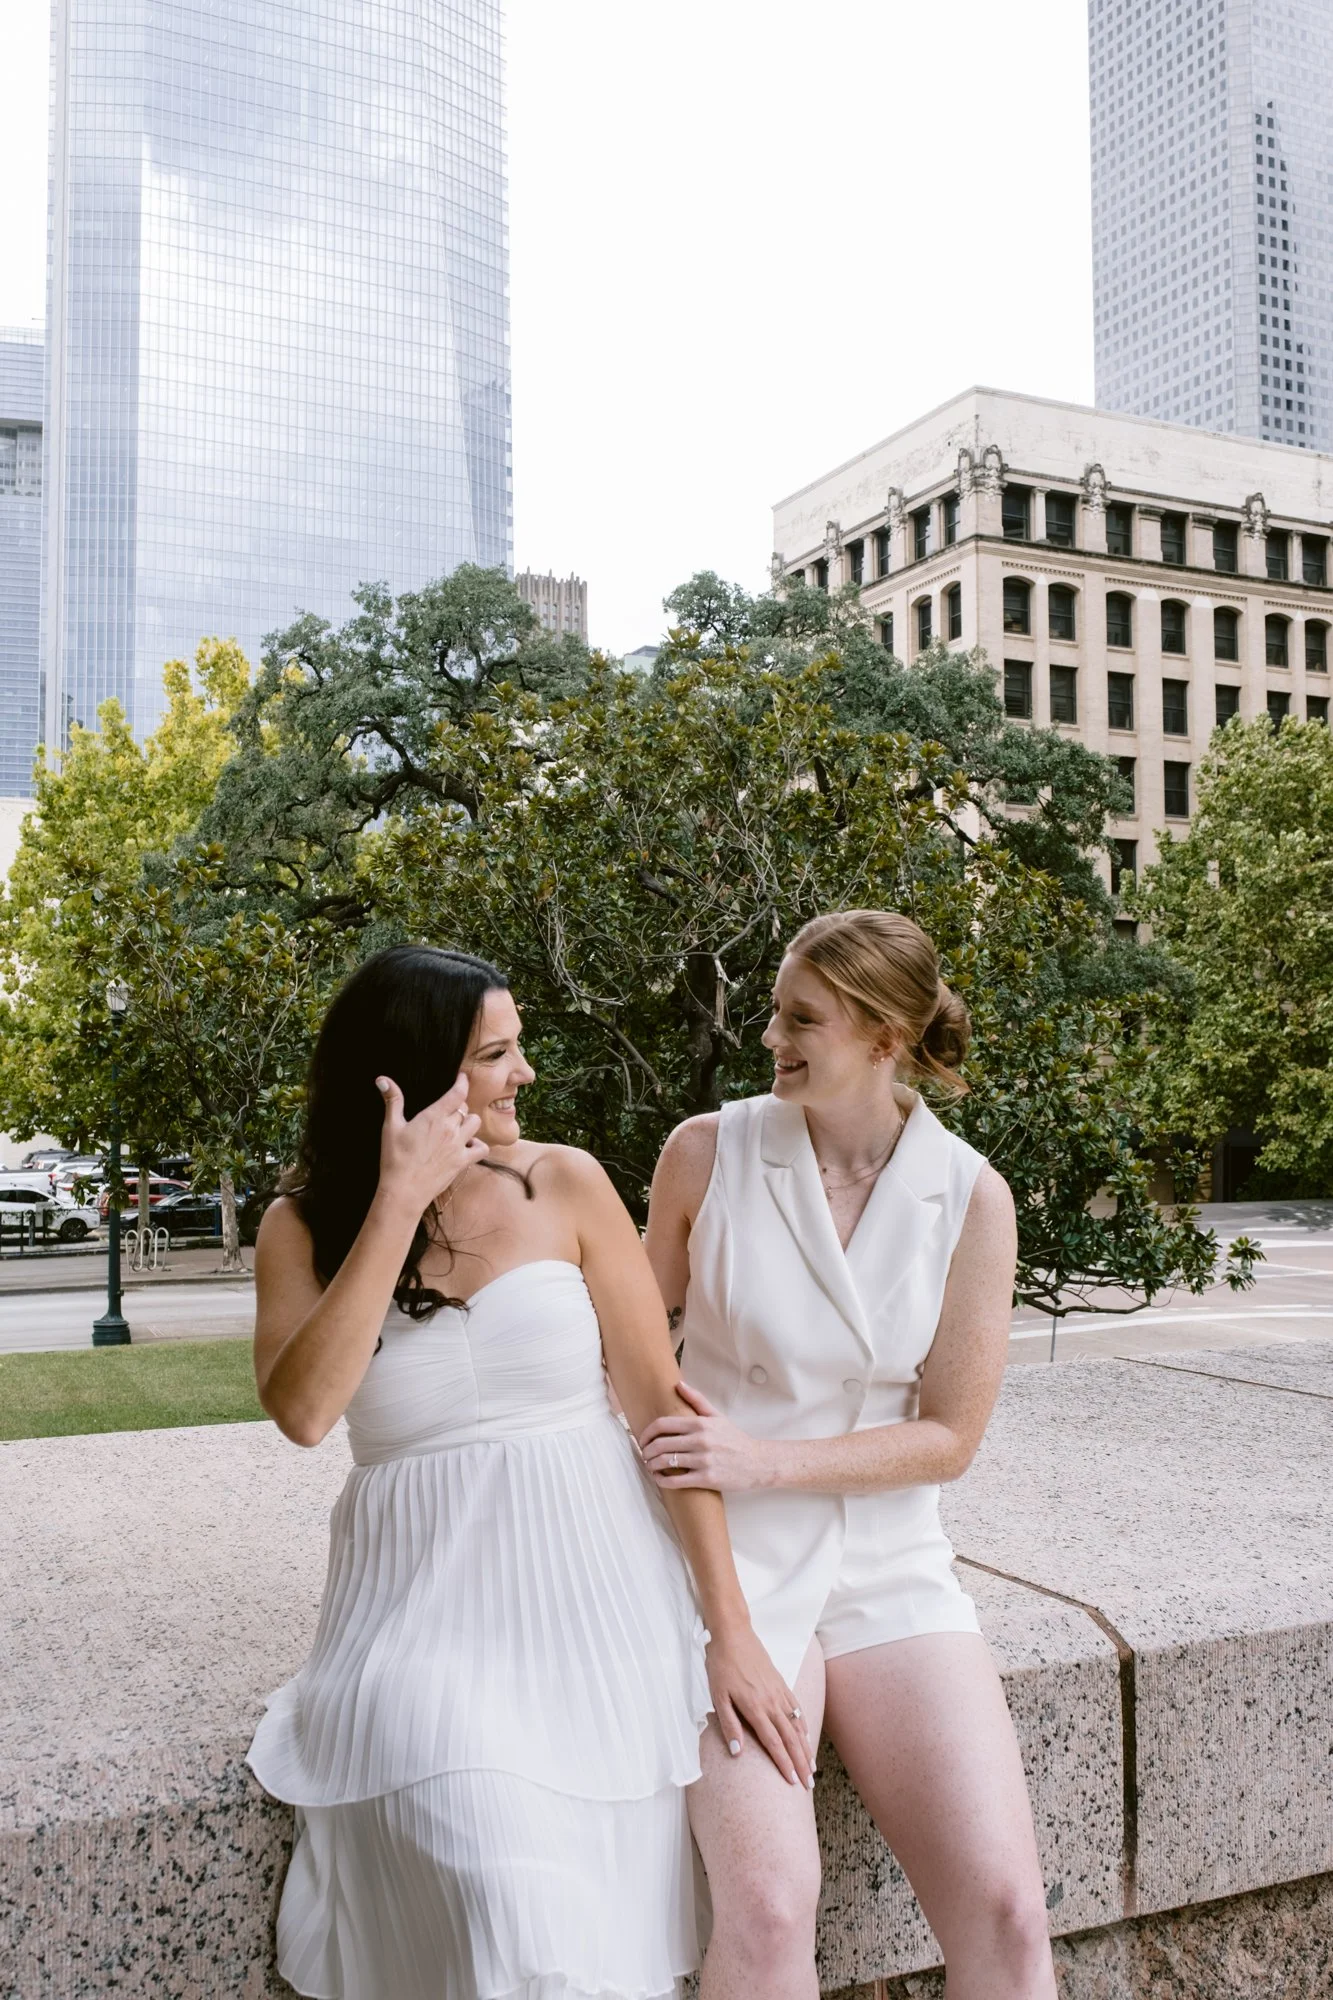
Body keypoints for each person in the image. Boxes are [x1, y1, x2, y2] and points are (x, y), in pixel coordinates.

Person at [246, 944, 811, 2000]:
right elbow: (306, 1409)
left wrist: (728, 1630)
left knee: (575, 1953)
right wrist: (395, 1203)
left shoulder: (567, 1181)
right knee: (511, 1912)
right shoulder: (302, 1225)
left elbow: (661, 1414)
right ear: (409, 1079)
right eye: (496, 1054)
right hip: (421, 1624)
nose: (524, 1074)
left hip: (597, 1609)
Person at [640, 909, 1057, 2000]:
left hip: (889, 1560)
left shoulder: (969, 1194)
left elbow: (949, 1436)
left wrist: (761, 1458)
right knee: (772, 1910)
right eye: (777, 1008)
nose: (771, 1035)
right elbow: (628, 1361)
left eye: (800, 1018)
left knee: (1011, 1914)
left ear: (884, 1038)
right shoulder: (706, 1151)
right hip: (722, 1563)